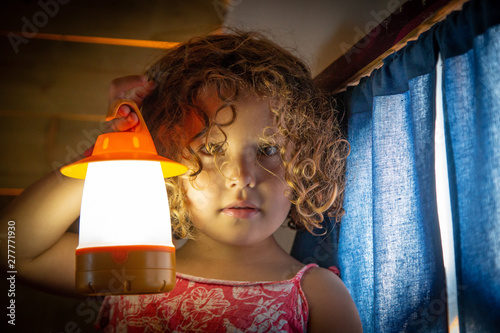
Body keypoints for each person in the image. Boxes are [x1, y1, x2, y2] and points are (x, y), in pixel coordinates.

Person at [0, 31, 362, 332]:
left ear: (306, 161)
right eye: (210, 149)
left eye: (267, 148)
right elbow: (15, 248)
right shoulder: (131, 269)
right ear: (165, 159)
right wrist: (115, 152)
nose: (241, 176)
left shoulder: (318, 295)